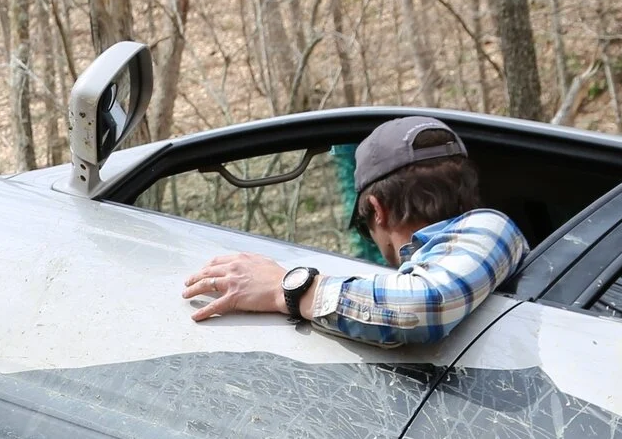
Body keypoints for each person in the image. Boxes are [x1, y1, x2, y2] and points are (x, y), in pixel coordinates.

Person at [180, 115, 528, 345]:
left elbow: (424, 306)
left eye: (365, 229)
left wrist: (284, 288)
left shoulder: (490, 227)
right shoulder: (464, 253)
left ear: (378, 210)